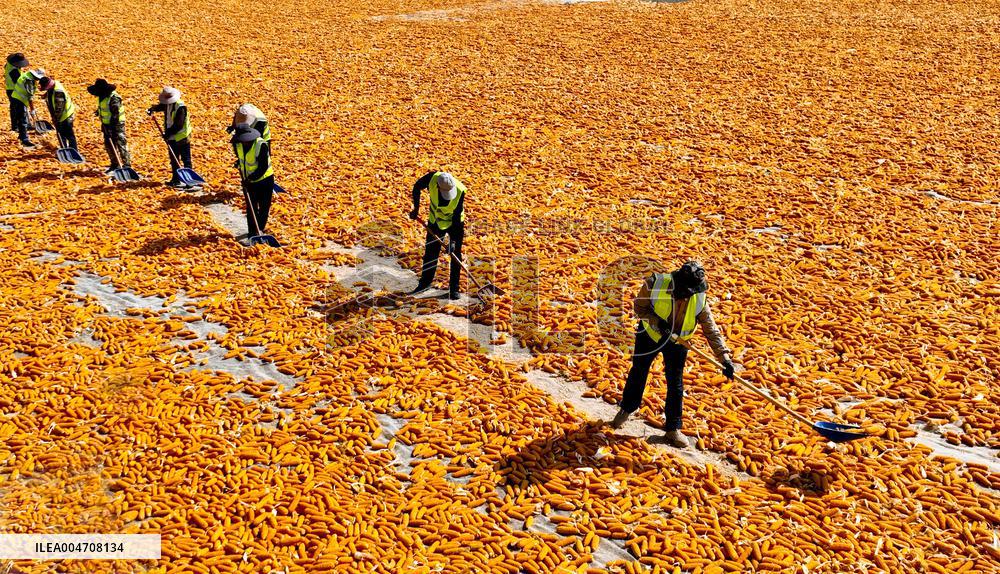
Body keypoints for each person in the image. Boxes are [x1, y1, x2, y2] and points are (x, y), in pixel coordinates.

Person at [609, 261, 736, 448]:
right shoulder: (655, 283)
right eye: (686, 292)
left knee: (675, 383)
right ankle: (626, 409)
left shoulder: (699, 298)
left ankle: (673, 428)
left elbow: (711, 329)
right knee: (639, 372)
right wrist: (657, 323)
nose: (688, 296)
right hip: (650, 336)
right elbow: (639, 308)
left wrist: (724, 358)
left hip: (678, 343)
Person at [407, 171, 466, 300]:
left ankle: (454, 289)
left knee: (455, 253)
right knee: (431, 252)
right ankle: (425, 283)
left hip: (455, 223)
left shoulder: (460, 190)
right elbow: (417, 187)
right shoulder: (432, 179)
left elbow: (456, 216)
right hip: (435, 221)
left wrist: (452, 242)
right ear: (438, 187)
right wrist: (416, 209)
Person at [231, 124, 274, 244]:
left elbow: (263, 167)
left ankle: (260, 229)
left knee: (264, 207)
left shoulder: (261, 145)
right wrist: (238, 163)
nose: (244, 142)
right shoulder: (238, 144)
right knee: (251, 208)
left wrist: (250, 178)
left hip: (264, 180)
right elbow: (241, 158)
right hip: (249, 181)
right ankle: (252, 233)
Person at [146, 87, 193, 188]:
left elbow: (178, 125)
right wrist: (152, 109)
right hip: (172, 137)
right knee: (174, 158)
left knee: (186, 159)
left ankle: (189, 181)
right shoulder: (167, 104)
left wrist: (168, 133)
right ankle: (176, 179)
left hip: (182, 136)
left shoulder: (181, 107)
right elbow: (161, 107)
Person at [87, 78, 131, 173]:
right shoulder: (102, 96)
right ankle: (115, 164)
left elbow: (115, 114)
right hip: (106, 124)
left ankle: (127, 165)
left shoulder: (114, 98)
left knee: (120, 143)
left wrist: (111, 129)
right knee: (109, 144)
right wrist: (99, 112)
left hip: (117, 124)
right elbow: (104, 107)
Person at [10, 67, 45, 149]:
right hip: (20, 100)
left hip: (16, 97)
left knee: (20, 118)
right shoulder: (29, 80)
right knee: (23, 120)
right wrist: (32, 110)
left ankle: (21, 136)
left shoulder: (27, 75)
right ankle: (24, 140)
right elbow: (30, 97)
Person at [39, 76, 78, 150]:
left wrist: (56, 119)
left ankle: (73, 150)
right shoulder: (55, 84)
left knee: (68, 134)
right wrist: (46, 95)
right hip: (61, 115)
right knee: (60, 133)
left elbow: (59, 108)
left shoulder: (58, 92)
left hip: (65, 115)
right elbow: (50, 91)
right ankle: (64, 148)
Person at [5, 53, 29, 132]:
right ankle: (15, 126)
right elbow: (18, 82)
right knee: (15, 108)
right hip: (13, 90)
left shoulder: (8, 65)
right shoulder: (14, 71)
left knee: (15, 107)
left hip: (10, 88)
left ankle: (22, 124)